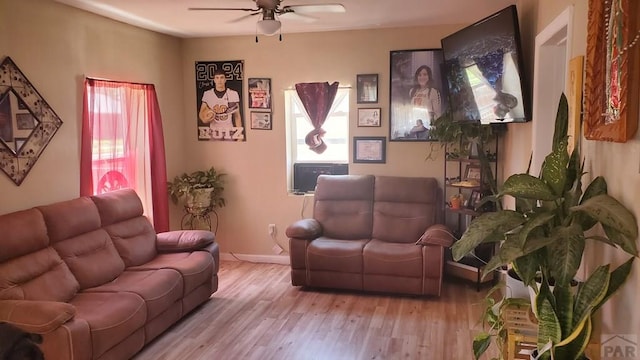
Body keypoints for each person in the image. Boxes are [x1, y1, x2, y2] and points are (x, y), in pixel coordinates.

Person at [198, 68, 242, 134]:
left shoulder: (233, 93)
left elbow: (237, 116)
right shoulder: (208, 94)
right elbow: (201, 112)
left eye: (221, 77)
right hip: (213, 132)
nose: (219, 80)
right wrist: (204, 119)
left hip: (228, 131)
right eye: (217, 78)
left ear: (225, 79)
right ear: (214, 79)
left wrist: (239, 134)